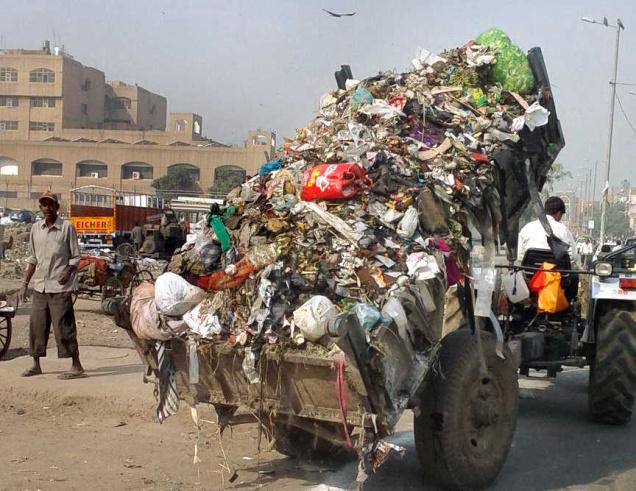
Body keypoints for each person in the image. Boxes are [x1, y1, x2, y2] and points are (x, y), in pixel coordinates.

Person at [19, 192, 85, 379]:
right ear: (40, 208)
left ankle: (76, 365)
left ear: (57, 207)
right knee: (37, 326)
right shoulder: (35, 229)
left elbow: (75, 257)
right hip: (40, 286)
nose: (47, 208)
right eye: (44, 205)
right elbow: (33, 258)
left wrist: (67, 273)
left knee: (64, 327)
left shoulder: (66, 227)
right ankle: (35, 364)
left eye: (51, 205)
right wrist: (24, 283)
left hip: (60, 287)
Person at [517, 196, 579, 300]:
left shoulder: (528, 228)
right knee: (574, 275)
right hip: (557, 279)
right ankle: (568, 304)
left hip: (530, 277)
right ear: (559, 213)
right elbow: (572, 257)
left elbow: (520, 256)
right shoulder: (563, 230)